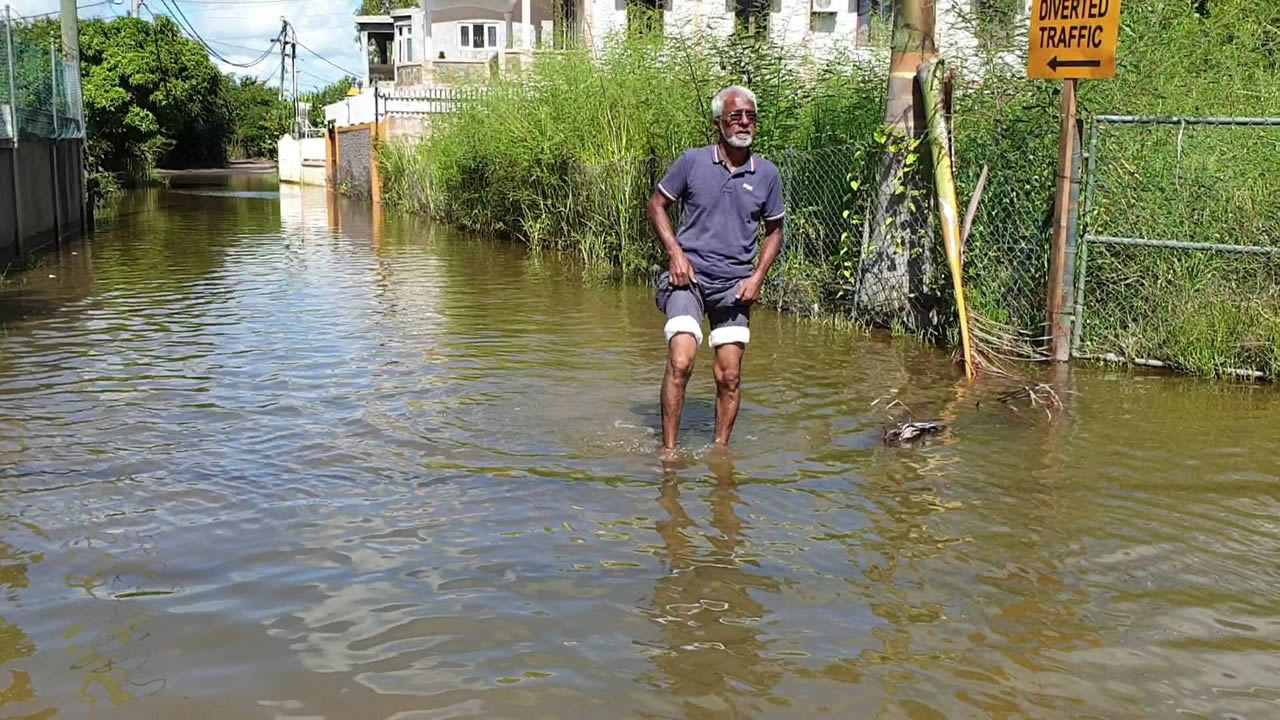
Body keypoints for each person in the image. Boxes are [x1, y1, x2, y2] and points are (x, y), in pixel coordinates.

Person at [646, 86, 785, 459]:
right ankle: (669, 452)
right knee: (681, 360)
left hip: (735, 286)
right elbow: (657, 204)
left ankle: (720, 453)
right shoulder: (692, 162)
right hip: (687, 280)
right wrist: (675, 254)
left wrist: (757, 277)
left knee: (730, 376)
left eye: (750, 116)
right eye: (735, 116)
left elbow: (775, 231)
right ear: (717, 123)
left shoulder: (767, 174)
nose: (744, 122)